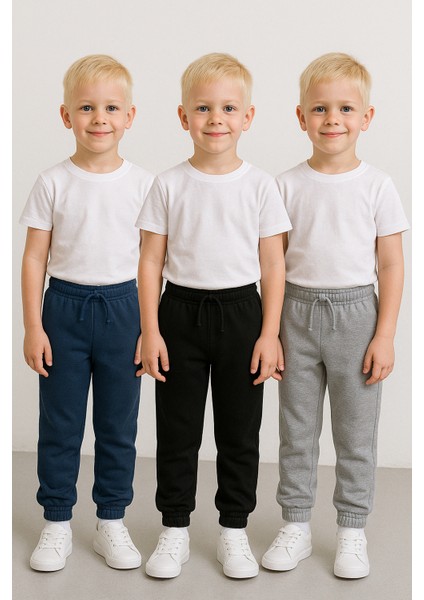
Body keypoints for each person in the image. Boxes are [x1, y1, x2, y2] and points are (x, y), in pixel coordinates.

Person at [136, 52, 292, 579]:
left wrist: (269, 334)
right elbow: (150, 261)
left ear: (248, 117)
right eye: (203, 108)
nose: (216, 119)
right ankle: (174, 528)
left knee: (239, 431)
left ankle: (234, 530)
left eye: (228, 108)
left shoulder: (261, 185)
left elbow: (274, 265)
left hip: (242, 313)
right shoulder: (168, 184)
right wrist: (151, 330)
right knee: (177, 429)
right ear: (184, 116)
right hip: (179, 312)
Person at [261, 52, 410, 579]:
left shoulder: (378, 186)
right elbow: (273, 264)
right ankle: (296, 524)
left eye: (346, 108)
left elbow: (391, 264)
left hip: (357, 316)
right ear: (301, 116)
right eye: (320, 108)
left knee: (355, 432)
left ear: (367, 117)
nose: (333, 119)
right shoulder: (284, 185)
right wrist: (272, 331)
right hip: (296, 315)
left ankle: (351, 530)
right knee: (297, 430)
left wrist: (385, 335)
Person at [20, 54, 154, 572]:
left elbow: (153, 263)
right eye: (86, 107)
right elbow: (34, 258)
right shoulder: (52, 181)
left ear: (130, 116)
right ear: (65, 115)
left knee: (118, 425)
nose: (99, 118)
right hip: (64, 309)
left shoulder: (144, 184)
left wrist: (149, 328)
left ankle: (111, 521)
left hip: (124, 310)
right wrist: (34, 326)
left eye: (111, 108)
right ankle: (56, 521)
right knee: (60, 424)